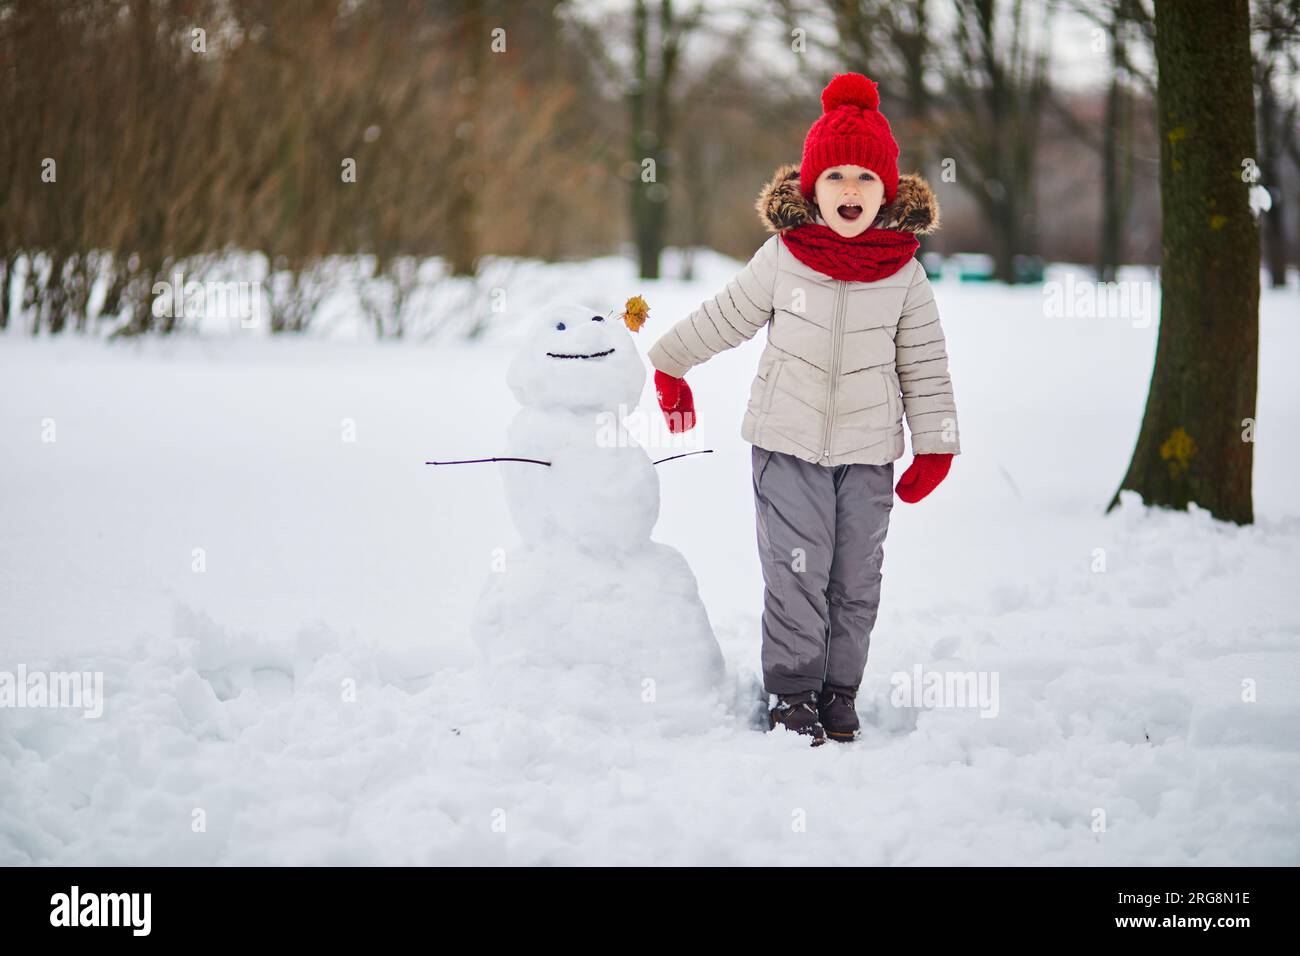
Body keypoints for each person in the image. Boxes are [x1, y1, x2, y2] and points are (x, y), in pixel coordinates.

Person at [647, 72, 961, 745]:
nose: (851, 190)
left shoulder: (905, 272)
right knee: (795, 571)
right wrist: (671, 363)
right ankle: (792, 694)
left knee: (854, 580)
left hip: (869, 455)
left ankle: (839, 691)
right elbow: (723, 316)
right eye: (837, 176)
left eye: (866, 179)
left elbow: (925, 363)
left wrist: (935, 444)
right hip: (786, 447)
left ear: (888, 190)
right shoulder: (784, 258)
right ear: (813, 187)